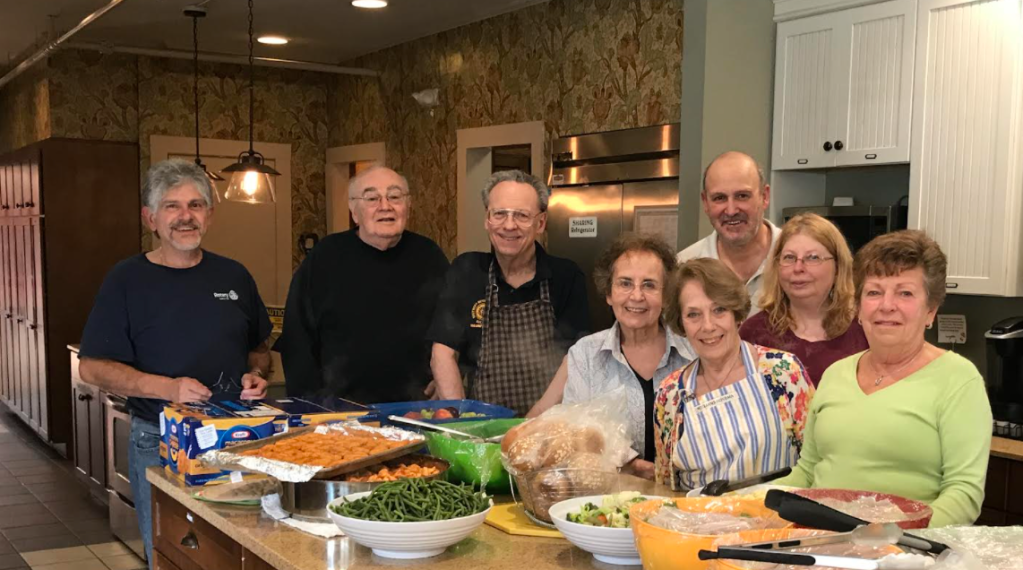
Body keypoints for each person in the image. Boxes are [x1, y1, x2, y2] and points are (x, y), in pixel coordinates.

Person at [77, 160, 272, 566]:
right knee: (175, 556)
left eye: (195, 205)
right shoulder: (126, 280)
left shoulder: (234, 276)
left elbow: (259, 348)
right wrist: (168, 388)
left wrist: (255, 374)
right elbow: (92, 367)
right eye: (172, 206)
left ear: (209, 215)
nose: (186, 216)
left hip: (238, 439)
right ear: (150, 218)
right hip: (161, 441)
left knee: (240, 555)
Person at [776, 231, 992, 528]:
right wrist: (744, 504)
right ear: (858, 308)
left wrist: (887, 539)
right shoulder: (836, 373)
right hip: (816, 541)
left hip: (907, 548)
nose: (886, 305)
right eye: (874, 292)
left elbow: (963, 494)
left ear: (930, 310)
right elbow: (807, 472)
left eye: (905, 293)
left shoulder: (959, 379)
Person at [276, 165, 449, 403]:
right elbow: (297, 337)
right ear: (354, 211)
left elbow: (453, 328)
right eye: (372, 198)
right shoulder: (325, 257)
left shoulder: (430, 256)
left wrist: (446, 377)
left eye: (395, 196)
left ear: (408, 206)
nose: (385, 206)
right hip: (339, 408)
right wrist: (309, 403)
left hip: (417, 407)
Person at [528, 234, 694, 479]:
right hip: (609, 494)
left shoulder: (693, 352)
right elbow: (578, 429)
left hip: (687, 493)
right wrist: (631, 463)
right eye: (625, 283)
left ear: (666, 296)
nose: (636, 296)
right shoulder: (586, 354)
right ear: (608, 293)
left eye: (649, 285)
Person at [427, 170, 589, 415]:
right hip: (480, 424)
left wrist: (531, 423)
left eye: (522, 215)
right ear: (487, 219)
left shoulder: (566, 276)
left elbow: (574, 359)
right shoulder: (466, 271)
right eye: (500, 214)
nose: (509, 225)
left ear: (541, 223)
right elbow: (443, 354)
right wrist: (461, 419)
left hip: (548, 422)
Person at [654, 257, 815, 491]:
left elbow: (816, 461)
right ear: (681, 323)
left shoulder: (783, 372)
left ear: (736, 314)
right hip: (695, 514)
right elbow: (666, 484)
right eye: (693, 315)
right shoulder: (669, 394)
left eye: (719, 310)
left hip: (774, 511)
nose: (708, 326)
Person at [739, 213, 868, 386]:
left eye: (813, 257)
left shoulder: (865, 330)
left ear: (838, 267)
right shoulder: (753, 333)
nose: (798, 268)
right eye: (789, 258)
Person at [677, 151, 781, 315]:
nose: (731, 211)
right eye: (719, 198)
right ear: (705, 203)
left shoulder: (798, 259)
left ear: (765, 196)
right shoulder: (683, 267)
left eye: (742, 196)